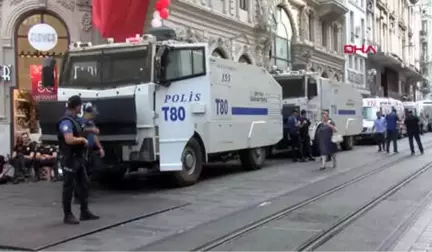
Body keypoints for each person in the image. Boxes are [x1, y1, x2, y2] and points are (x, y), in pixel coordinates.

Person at [58, 95, 99, 224]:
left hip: (78, 157)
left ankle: (84, 211)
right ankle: (68, 214)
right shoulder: (66, 122)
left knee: (84, 184)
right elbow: (69, 139)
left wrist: (90, 130)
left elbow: (83, 126)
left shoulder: (75, 119)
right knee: (68, 186)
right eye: (80, 106)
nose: (81, 108)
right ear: (77, 106)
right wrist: (82, 139)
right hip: (69, 158)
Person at [73, 103, 104, 204]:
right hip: (81, 149)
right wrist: (92, 129)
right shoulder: (81, 120)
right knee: (80, 174)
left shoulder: (90, 122)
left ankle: (84, 194)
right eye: (91, 113)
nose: (93, 115)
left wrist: (100, 148)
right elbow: (80, 131)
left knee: (93, 170)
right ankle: (78, 196)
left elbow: (94, 136)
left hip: (89, 149)